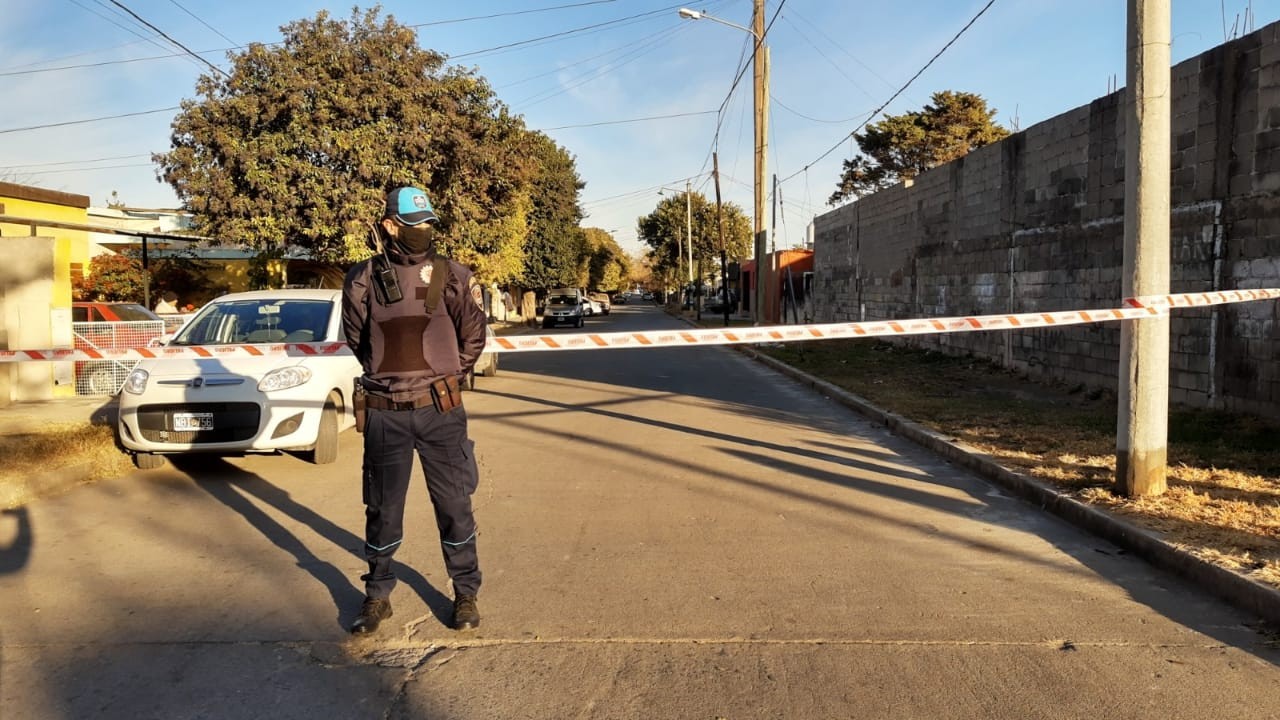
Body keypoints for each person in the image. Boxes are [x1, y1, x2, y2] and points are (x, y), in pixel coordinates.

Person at [341, 186, 488, 634]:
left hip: (440, 412)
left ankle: (465, 594)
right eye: (414, 225)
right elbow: (357, 339)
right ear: (390, 227)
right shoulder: (362, 278)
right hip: (385, 413)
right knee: (383, 509)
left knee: (454, 504)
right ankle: (377, 595)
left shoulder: (454, 275)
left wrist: (441, 378)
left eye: (428, 223)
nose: (423, 232)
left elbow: (474, 338)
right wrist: (392, 381)